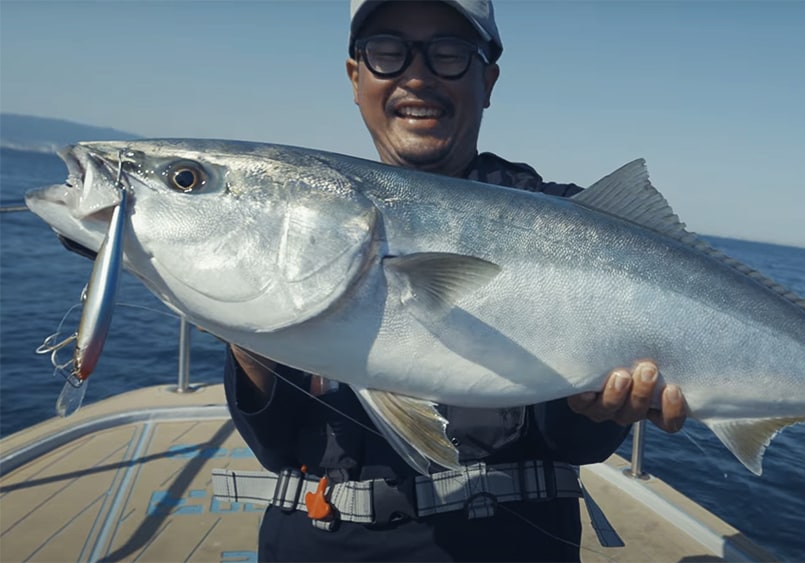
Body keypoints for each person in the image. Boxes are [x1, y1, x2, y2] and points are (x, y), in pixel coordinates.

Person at [221, 1, 688, 561]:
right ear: (356, 76)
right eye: (388, 53)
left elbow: (569, 442)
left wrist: (599, 407)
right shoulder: (309, 216)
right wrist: (247, 328)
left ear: (487, 80)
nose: (417, 78)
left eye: (449, 55)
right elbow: (276, 446)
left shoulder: (572, 225)